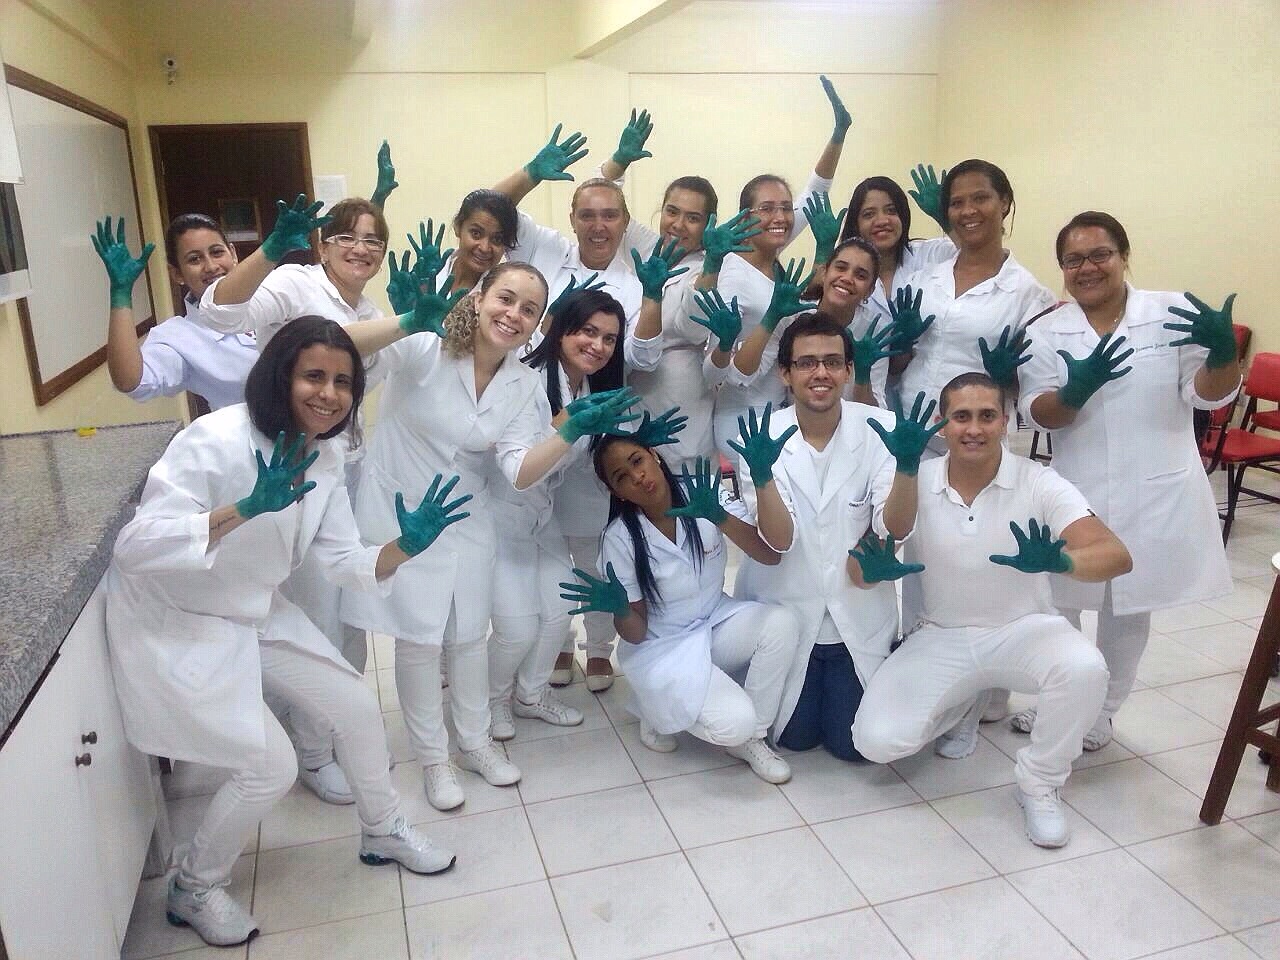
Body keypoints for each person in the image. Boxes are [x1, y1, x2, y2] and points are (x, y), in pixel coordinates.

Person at [104, 317, 460, 947]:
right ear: (280, 376)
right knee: (270, 766)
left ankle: (381, 830)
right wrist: (243, 509)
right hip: (183, 622)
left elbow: (343, 559)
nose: (329, 394)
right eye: (313, 376)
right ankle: (194, 886)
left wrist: (404, 547)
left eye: (343, 381)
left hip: (256, 609)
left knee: (354, 706)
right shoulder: (212, 440)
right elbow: (135, 548)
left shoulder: (323, 454)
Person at [338, 262, 641, 812]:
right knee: (419, 642)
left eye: (528, 309)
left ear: (538, 323)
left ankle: (475, 743)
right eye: (505, 299)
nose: (513, 314)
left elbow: (520, 471)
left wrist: (568, 427)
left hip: (468, 517)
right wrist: (405, 320)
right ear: (478, 298)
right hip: (403, 520)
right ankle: (434, 760)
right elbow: (337, 346)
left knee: (469, 638)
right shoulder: (424, 348)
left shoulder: (523, 383)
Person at [852, 373, 1132, 848]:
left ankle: (1040, 783)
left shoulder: (1039, 481)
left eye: (987, 416)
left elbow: (1116, 556)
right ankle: (965, 700)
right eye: (961, 416)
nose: (974, 429)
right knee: (876, 742)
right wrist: (875, 567)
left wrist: (1062, 560)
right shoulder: (913, 479)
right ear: (942, 426)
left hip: (1022, 630)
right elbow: (869, 558)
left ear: (1006, 421)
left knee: (1085, 668)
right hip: (940, 633)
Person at [1006, 211, 1238, 748]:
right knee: (1059, 601)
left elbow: (1207, 395)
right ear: (1061, 268)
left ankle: (1103, 712)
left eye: (1099, 255)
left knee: (1127, 606)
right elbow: (1039, 414)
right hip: (1075, 490)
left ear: (1123, 256)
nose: (1087, 268)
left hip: (1154, 488)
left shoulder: (1171, 312)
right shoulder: (1045, 330)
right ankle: (1060, 699)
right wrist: (1073, 393)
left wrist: (1224, 355)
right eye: (1073, 259)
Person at [733, 314, 922, 761]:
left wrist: (908, 469)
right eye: (807, 363)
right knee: (794, 738)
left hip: (854, 614)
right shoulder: (762, 438)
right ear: (786, 373)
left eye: (833, 362)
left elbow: (893, 528)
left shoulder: (881, 430)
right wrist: (761, 477)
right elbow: (779, 541)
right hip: (786, 612)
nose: (821, 374)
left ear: (848, 370)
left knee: (852, 746)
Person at [563, 438, 798, 783]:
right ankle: (656, 710)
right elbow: (637, 632)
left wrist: (718, 516)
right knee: (734, 722)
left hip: (715, 619)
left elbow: (770, 555)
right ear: (619, 493)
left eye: (637, 460)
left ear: (654, 455)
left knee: (781, 624)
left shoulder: (702, 493)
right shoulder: (620, 539)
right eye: (622, 477)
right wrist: (619, 611)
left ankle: (754, 739)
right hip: (663, 646)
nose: (638, 476)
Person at [486, 287, 634, 733]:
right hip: (499, 518)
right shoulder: (526, 379)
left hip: (540, 517)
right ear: (562, 329)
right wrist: (566, 425)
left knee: (557, 609)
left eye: (609, 339)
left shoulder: (587, 384)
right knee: (515, 628)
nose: (598, 345)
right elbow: (521, 462)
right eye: (588, 332)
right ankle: (492, 702)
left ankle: (531, 694)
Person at [595, 109, 761, 471]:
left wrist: (714, 262)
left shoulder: (708, 268)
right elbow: (601, 202)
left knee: (685, 494)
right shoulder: (646, 244)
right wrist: (619, 162)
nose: (679, 224)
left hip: (680, 392)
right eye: (672, 211)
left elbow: (692, 326)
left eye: (693, 218)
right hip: (627, 384)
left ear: (708, 225)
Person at [701, 75, 852, 457]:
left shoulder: (775, 259)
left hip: (786, 410)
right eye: (766, 208)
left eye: (785, 208)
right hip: (742, 416)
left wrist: (838, 135)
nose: (780, 217)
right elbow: (725, 374)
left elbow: (814, 192)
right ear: (745, 217)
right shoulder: (731, 269)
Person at [893, 159, 1056, 426]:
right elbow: (898, 366)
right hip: (908, 427)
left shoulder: (1031, 296)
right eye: (956, 203)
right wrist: (901, 346)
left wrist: (1006, 377)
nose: (968, 211)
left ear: (1004, 203)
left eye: (980, 198)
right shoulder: (922, 279)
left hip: (975, 435)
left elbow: (1030, 387)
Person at [94, 214, 256, 411]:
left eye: (216, 252)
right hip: (254, 439)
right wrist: (121, 292)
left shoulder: (275, 295)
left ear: (233, 254)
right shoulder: (179, 338)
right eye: (194, 259)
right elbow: (131, 382)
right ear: (177, 274)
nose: (211, 266)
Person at [732, 236, 900, 408]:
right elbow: (739, 375)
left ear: (870, 291)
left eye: (861, 275)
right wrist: (771, 318)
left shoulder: (875, 331)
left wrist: (863, 376)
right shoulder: (792, 315)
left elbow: (873, 414)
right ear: (824, 272)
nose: (847, 278)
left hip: (849, 428)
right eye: (840, 268)